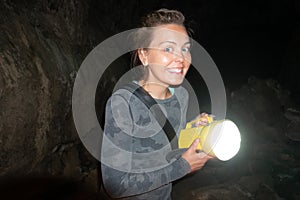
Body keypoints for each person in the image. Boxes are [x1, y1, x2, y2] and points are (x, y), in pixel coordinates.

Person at [101, 8, 213, 199]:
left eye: (185, 48)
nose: (181, 58)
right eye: (168, 48)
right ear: (144, 56)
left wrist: (194, 131)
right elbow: (115, 186)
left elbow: (168, 148)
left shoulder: (181, 96)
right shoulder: (123, 104)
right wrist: (183, 167)